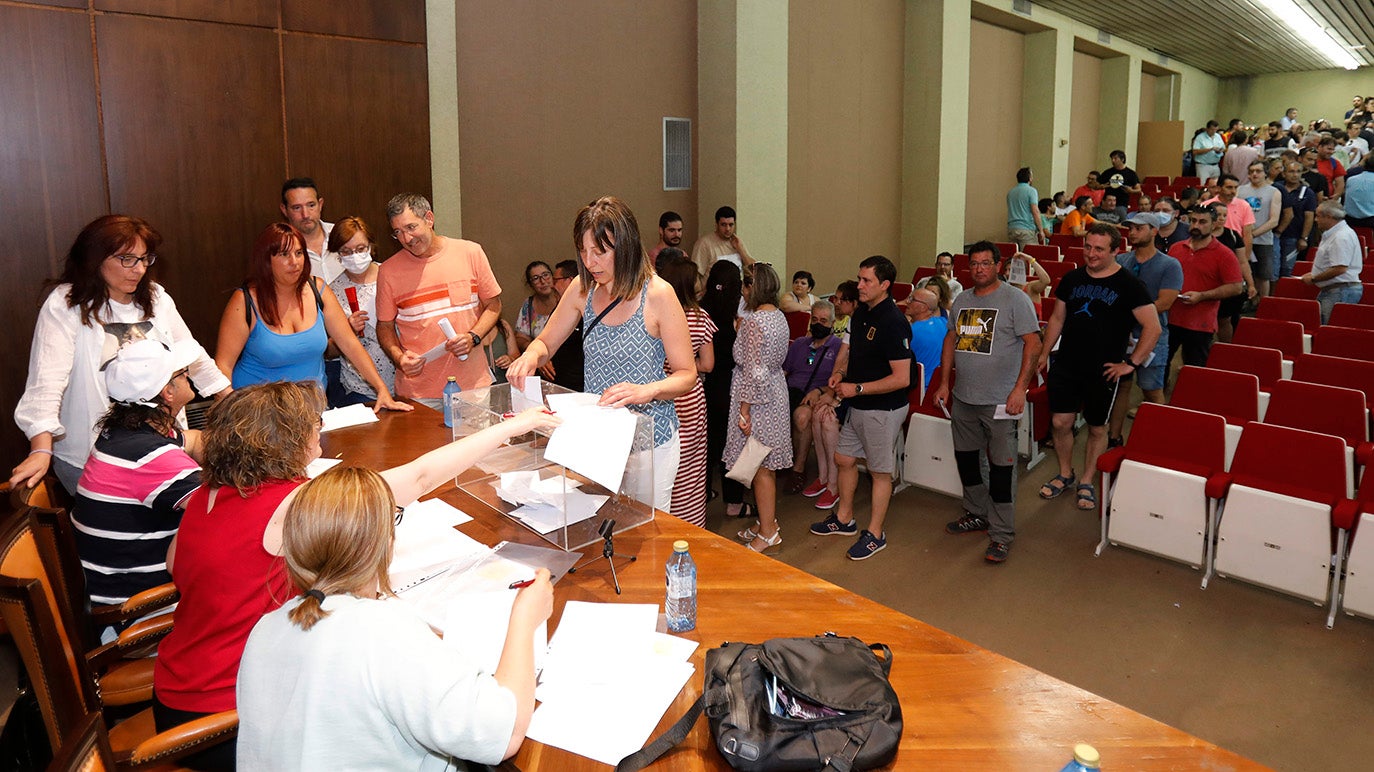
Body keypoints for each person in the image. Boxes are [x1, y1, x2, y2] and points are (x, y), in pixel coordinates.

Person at [152, 381, 557, 771]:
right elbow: (420, 477)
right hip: (228, 715)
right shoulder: (294, 505)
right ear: (288, 439)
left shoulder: (206, 494)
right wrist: (515, 425)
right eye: (314, 423)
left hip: (175, 685)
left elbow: (175, 564)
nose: (320, 429)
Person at [236, 466, 554, 769]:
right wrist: (525, 619)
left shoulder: (266, 628)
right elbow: (504, 733)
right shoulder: (380, 629)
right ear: (384, 544)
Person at [12, 215, 229, 495]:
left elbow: (192, 354)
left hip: (158, 447)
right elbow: (47, 381)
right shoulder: (66, 304)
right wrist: (41, 448)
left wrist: (231, 400)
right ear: (95, 259)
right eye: (126, 259)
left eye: (144, 259)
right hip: (90, 455)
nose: (137, 269)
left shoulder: (156, 297)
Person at [507, 196, 696, 510]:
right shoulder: (583, 288)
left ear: (626, 247)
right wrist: (531, 355)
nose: (590, 262)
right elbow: (546, 343)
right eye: (583, 251)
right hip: (600, 439)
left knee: (644, 533)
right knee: (601, 524)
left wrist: (647, 391)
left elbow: (687, 374)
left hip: (649, 442)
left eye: (600, 251)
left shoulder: (658, 294)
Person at [214, 223, 408, 415]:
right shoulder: (245, 300)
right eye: (284, 254)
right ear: (266, 260)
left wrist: (381, 389)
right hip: (258, 413)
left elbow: (350, 344)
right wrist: (229, 412)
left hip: (311, 410)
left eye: (299, 253)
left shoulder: (318, 290)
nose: (294, 261)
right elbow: (223, 365)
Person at [72, 338, 203, 609]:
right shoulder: (151, 457)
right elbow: (223, 506)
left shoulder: (122, 435)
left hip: (107, 593)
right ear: (168, 392)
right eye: (182, 372)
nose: (188, 373)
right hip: (138, 613)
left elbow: (193, 440)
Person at [1037, 223, 1159, 513]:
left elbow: (1152, 327)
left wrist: (1131, 364)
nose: (1091, 254)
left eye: (1099, 249)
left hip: (1103, 369)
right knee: (1059, 423)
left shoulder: (1130, 284)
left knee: (1096, 427)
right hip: (1066, 362)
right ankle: (1066, 473)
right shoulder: (1072, 278)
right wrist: (1044, 353)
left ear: (1116, 250)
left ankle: (1088, 480)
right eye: (1088, 247)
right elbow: (1057, 319)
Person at [932, 242, 1041, 564]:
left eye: (986, 263)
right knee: (967, 461)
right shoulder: (963, 300)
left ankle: (1002, 533)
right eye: (974, 264)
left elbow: (1033, 345)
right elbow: (951, 337)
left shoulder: (1015, 300)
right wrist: (944, 383)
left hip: (1000, 402)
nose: (979, 269)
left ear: (999, 266)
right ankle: (977, 513)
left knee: (1001, 468)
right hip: (964, 398)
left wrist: (1020, 389)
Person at [808, 256, 912, 561]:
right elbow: (851, 352)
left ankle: (876, 534)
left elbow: (902, 378)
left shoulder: (894, 322)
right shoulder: (862, 314)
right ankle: (844, 519)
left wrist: (858, 388)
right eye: (859, 279)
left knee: (880, 473)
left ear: (885, 285)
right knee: (843, 458)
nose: (860, 285)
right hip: (858, 403)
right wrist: (841, 375)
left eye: (866, 281)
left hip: (884, 408)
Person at [376, 193, 503, 406]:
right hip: (419, 392)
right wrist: (399, 358)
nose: (407, 239)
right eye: (397, 232)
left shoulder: (470, 252)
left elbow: (494, 305)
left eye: (411, 227)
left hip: (472, 386)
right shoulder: (388, 271)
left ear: (429, 219)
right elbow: (384, 326)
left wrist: (473, 337)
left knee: (480, 439)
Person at [725, 264, 792, 553]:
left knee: (760, 464)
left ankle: (767, 533)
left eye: (745, 284)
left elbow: (753, 370)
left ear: (754, 288)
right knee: (762, 463)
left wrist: (744, 411)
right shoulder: (777, 317)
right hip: (775, 392)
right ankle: (768, 521)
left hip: (756, 399)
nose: (742, 290)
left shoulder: (754, 322)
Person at [1106, 213, 1183, 447]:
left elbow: (1166, 302)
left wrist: (1130, 315)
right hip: (1123, 335)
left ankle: (1160, 438)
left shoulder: (1169, 265)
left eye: (1139, 229)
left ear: (1154, 231)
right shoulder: (1122, 261)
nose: (1133, 233)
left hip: (1152, 336)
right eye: (1131, 228)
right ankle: (1114, 438)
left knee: (1151, 389)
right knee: (1121, 386)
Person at [660, 257, 716, 527]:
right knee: (692, 467)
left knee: (664, 464)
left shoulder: (656, 315)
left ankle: (664, 522)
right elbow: (708, 364)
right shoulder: (699, 317)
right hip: (691, 397)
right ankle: (692, 526)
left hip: (660, 395)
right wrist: (686, 366)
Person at [325, 216, 397, 407]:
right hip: (359, 387)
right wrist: (348, 330)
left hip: (403, 379)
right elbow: (328, 351)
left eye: (360, 249)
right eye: (346, 252)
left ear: (371, 247)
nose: (354, 257)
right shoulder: (332, 292)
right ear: (337, 254)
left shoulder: (392, 276)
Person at [781, 300, 841, 496]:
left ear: (833, 324)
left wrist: (821, 391)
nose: (818, 324)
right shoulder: (799, 344)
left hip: (816, 396)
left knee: (802, 418)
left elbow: (841, 381)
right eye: (814, 319)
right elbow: (785, 371)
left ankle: (798, 469)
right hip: (789, 393)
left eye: (824, 321)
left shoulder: (839, 348)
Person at [700, 260, 742, 506]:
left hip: (702, 388)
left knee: (707, 446)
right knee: (730, 446)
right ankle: (734, 502)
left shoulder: (701, 310)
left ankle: (702, 493)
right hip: (726, 387)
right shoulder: (729, 317)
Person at [1303, 200, 1365, 322]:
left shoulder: (1341, 237)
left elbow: (1340, 268)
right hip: (1337, 290)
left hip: (1339, 291)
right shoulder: (1338, 234)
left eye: (1318, 216)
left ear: (1329, 217)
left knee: (1330, 331)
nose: (1315, 220)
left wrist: (1314, 279)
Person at [280, 177, 341, 283]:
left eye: (311, 205)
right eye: (297, 208)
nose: (305, 215)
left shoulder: (342, 234)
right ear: (284, 210)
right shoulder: (280, 248)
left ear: (320, 204)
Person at [1237, 160, 1282, 297]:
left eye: (1258, 171)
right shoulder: (1240, 190)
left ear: (1265, 173)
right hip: (1242, 241)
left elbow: (1274, 220)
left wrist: (1252, 234)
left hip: (1263, 240)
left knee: (1263, 275)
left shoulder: (1274, 192)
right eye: (1251, 172)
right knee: (1243, 273)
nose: (1254, 174)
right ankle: (1246, 300)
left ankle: (1263, 303)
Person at [546, 259, 584, 392]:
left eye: (556, 281)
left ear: (571, 281)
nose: (552, 286)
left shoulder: (587, 309)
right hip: (558, 383)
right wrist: (541, 357)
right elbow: (545, 341)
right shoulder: (559, 309)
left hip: (580, 387)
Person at [1276, 160, 1318, 279]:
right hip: (1274, 234)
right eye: (1291, 171)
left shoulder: (1307, 193)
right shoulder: (1276, 187)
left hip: (1293, 237)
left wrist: (1303, 238)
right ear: (1284, 174)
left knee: (1286, 268)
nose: (1295, 175)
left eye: (1298, 172)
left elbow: (1309, 216)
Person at [690, 205, 754, 276]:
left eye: (731, 225)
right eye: (723, 225)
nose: (727, 229)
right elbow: (695, 276)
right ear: (716, 225)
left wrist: (741, 250)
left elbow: (755, 271)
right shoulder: (704, 244)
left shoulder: (737, 242)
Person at [514, 260, 560, 354]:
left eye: (545, 275)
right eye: (535, 278)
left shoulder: (564, 298)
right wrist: (534, 350)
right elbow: (520, 338)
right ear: (531, 285)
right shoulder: (528, 305)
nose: (542, 281)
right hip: (540, 359)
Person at [905, 288, 944, 390]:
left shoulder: (910, 332)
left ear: (923, 308)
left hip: (918, 389)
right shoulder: (944, 323)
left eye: (912, 299)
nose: (907, 302)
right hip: (938, 386)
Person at [1006, 166, 1049, 248]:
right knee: (1029, 256)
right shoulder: (1031, 191)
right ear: (1029, 178)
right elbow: (1035, 211)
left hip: (1012, 228)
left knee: (1015, 258)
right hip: (1026, 229)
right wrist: (1041, 230)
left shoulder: (1010, 192)